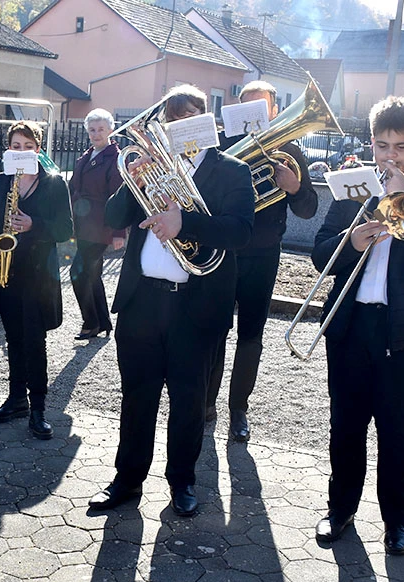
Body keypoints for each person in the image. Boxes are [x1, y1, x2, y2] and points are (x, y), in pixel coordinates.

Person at [88, 85, 255, 515]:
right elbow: (112, 218)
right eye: (173, 118)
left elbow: (240, 232)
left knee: (188, 400)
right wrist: (134, 181)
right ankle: (127, 480)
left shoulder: (232, 171)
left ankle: (182, 481)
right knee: (136, 397)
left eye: (191, 115)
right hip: (142, 302)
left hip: (196, 307)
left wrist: (187, 222)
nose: (181, 124)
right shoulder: (148, 167)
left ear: (208, 120)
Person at [311, 95, 404, 555]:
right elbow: (321, 254)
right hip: (351, 325)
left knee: (398, 429)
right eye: (382, 146)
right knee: (346, 424)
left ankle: (397, 520)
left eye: (400, 147)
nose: (389, 157)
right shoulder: (354, 182)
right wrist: (350, 240)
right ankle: (340, 510)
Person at [206, 81, 318, 442]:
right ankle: (207, 402)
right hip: (224, 252)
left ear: (273, 111)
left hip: (264, 254)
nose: (256, 113)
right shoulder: (221, 147)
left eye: (262, 107)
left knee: (251, 335)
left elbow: (309, 208)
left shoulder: (290, 151)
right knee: (215, 331)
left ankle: (239, 409)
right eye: (247, 107)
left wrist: (294, 187)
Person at [0, 121, 73, 440]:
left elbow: (65, 230)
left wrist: (34, 224)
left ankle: (38, 408)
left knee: (34, 341)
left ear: (38, 150)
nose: (20, 151)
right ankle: (16, 399)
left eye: (27, 146)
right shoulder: (0, 183)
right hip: (6, 273)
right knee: (13, 340)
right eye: (14, 146)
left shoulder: (54, 184)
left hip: (37, 276)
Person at [68, 108, 126, 340]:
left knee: (77, 273)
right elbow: (73, 187)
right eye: (92, 129)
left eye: (101, 129)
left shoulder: (115, 158)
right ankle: (102, 322)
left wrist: (119, 232)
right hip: (84, 225)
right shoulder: (87, 155)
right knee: (91, 275)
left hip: (102, 226)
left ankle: (91, 322)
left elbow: (119, 196)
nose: (96, 133)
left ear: (111, 130)